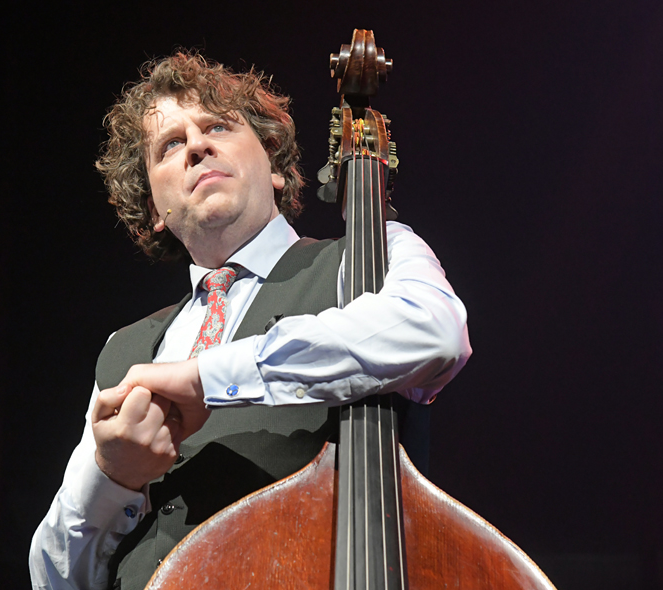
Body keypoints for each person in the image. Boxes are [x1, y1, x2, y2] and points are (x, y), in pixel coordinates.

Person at [29, 51, 471, 590]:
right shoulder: (125, 351)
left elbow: (436, 330)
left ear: (278, 169)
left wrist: (204, 378)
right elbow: (53, 578)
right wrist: (111, 477)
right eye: (170, 145)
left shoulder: (370, 257)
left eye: (217, 125)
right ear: (154, 211)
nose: (196, 146)